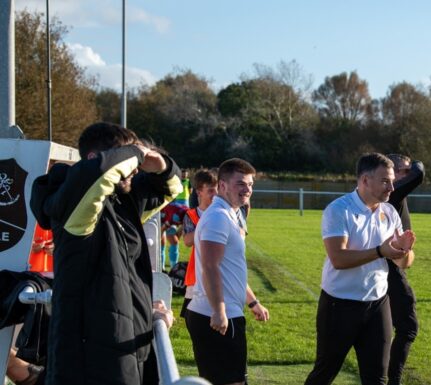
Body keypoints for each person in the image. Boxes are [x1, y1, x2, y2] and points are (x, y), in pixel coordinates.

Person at [30, 122, 179, 385]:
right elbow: (95, 175)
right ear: (93, 157)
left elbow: (170, 187)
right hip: (89, 362)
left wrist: (161, 164)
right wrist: (138, 152)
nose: (134, 169)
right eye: (128, 158)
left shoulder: (123, 202)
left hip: (127, 349)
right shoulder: (76, 206)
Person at [305, 153, 416, 385]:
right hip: (339, 305)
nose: (392, 187)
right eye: (385, 180)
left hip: (377, 304)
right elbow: (338, 259)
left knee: (377, 379)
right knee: (324, 374)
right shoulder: (339, 210)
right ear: (365, 180)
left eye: (393, 180)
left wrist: (403, 251)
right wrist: (380, 251)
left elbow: (403, 263)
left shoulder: (389, 212)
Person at [186, 158, 269, 385]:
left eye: (250, 184)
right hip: (217, 316)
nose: (247, 189)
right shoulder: (218, 217)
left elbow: (230, 270)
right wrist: (219, 310)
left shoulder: (229, 214)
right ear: (222, 186)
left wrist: (252, 302)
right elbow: (211, 267)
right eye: (241, 183)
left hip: (220, 313)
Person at [385, 154, 424, 385]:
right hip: (387, 268)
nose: (409, 175)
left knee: (382, 329)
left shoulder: (395, 196)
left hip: (391, 264)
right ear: (395, 173)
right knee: (408, 327)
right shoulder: (394, 192)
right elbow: (420, 173)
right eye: (404, 171)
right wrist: (415, 167)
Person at [181, 169, 218, 317]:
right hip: (196, 274)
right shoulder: (191, 215)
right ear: (199, 192)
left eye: (217, 191)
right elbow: (187, 241)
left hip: (219, 272)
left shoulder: (223, 212)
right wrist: (206, 224)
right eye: (210, 191)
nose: (214, 195)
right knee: (194, 316)